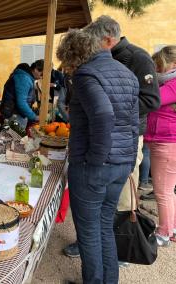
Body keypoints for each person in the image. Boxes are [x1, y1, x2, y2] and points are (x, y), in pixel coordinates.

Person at [64, 15, 161, 259]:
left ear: (106, 40)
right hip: (118, 154)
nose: (88, 46)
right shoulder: (118, 68)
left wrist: (96, 159)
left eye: (92, 42)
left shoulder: (135, 59)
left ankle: (105, 267)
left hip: (106, 155)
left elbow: (116, 111)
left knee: (97, 225)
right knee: (103, 225)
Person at [56, 28, 139, 283]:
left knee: (90, 232)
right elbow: (135, 121)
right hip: (121, 162)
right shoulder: (126, 73)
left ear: (73, 55)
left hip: (95, 165)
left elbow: (103, 116)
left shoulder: (86, 74)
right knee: (104, 226)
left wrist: (94, 160)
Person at [144, 45, 176, 246]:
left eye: (160, 65)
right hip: (166, 141)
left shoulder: (172, 85)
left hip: (166, 142)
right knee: (168, 189)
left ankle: (163, 233)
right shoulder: (168, 82)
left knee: (162, 190)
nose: (157, 70)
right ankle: (171, 226)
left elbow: (153, 99)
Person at [0, 61, 42, 129]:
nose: (41, 77)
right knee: (15, 138)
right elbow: (21, 102)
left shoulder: (24, 76)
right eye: (41, 74)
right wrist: (34, 117)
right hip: (15, 115)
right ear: (36, 69)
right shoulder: (24, 78)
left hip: (14, 114)